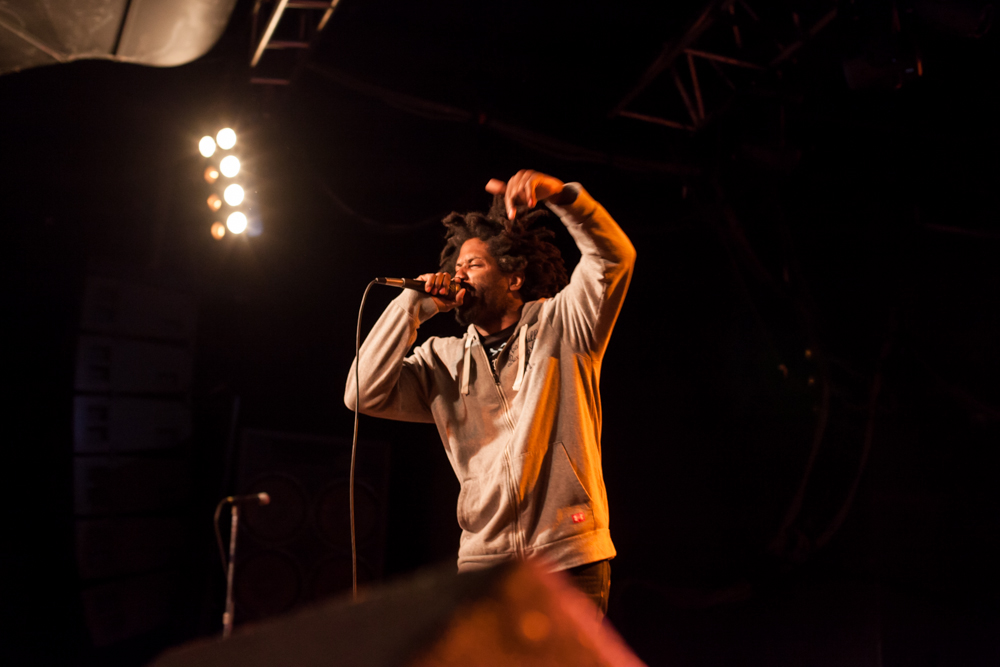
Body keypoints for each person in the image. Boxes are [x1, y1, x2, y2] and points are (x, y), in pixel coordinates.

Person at [345, 170, 635, 616]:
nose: (458, 274)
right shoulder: (440, 361)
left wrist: (561, 197)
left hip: (568, 557)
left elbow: (614, 259)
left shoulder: (565, 326)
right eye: (455, 267)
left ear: (513, 278)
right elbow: (361, 394)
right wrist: (413, 306)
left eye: (473, 265)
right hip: (485, 565)